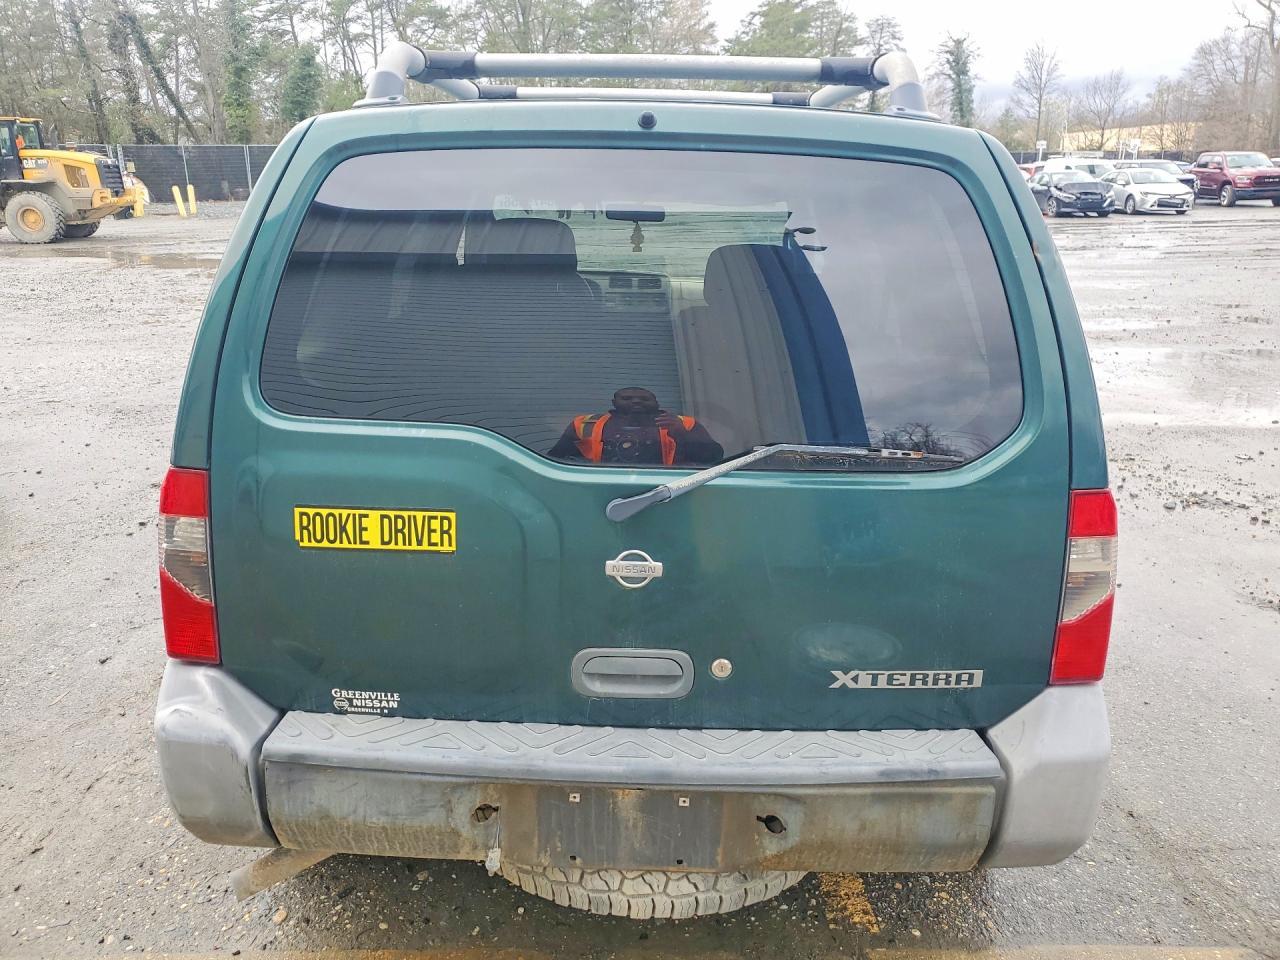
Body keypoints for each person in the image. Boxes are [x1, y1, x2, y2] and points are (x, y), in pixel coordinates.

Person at [550, 387, 723, 466]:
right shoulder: (584, 424)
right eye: (627, 398)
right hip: (599, 487)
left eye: (644, 398)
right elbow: (556, 461)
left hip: (669, 490)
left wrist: (682, 435)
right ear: (614, 402)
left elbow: (714, 457)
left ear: (656, 402)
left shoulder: (683, 423)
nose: (636, 401)